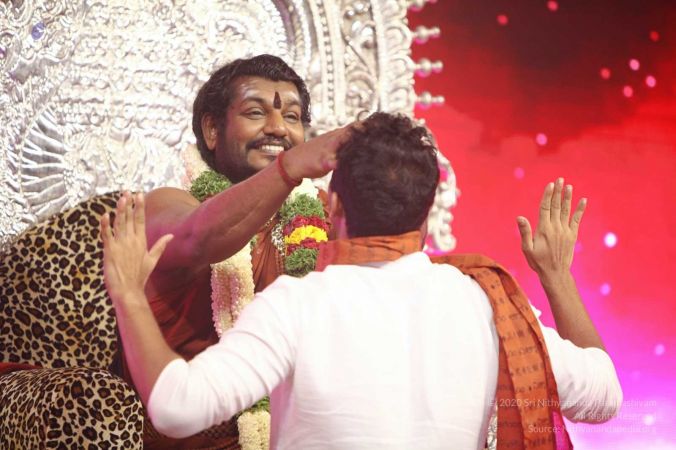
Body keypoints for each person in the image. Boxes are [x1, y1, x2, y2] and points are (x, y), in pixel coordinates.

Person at [101, 113, 622, 450]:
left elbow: (176, 406)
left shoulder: (297, 305)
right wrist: (556, 276)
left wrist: (128, 293)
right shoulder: (487, 305)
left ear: (332, 207)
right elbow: (605, 395)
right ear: (426, 216)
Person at [109, 54, 350, 446]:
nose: (278, 128)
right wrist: (290, 168)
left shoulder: (323, 215)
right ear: (211, 129)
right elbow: (199, 237)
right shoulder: (166, 207)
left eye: (292, 117)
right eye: (256, 112)